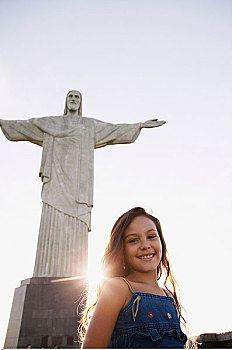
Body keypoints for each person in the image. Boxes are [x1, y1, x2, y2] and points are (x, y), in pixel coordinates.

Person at [0, 91, 165, 277]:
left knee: (76, 227)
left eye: (76, 97)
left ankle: (70, 274)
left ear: (81, 103)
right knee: (52, 223)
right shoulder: (52, 124)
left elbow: (114, 130)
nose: (73, 100)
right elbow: (26, 125)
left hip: (79, 191)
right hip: (55, 185)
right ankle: (45, 273)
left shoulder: (88, 126)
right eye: (70, 96)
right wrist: (3, 122)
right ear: (65, 101)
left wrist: (139, 125)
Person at [80, 207, 187, 348]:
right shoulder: (118, 288)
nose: (145, 245)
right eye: (133, 240)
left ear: (161, 241)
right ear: (122, 249)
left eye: (151, 236)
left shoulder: (169, 296)